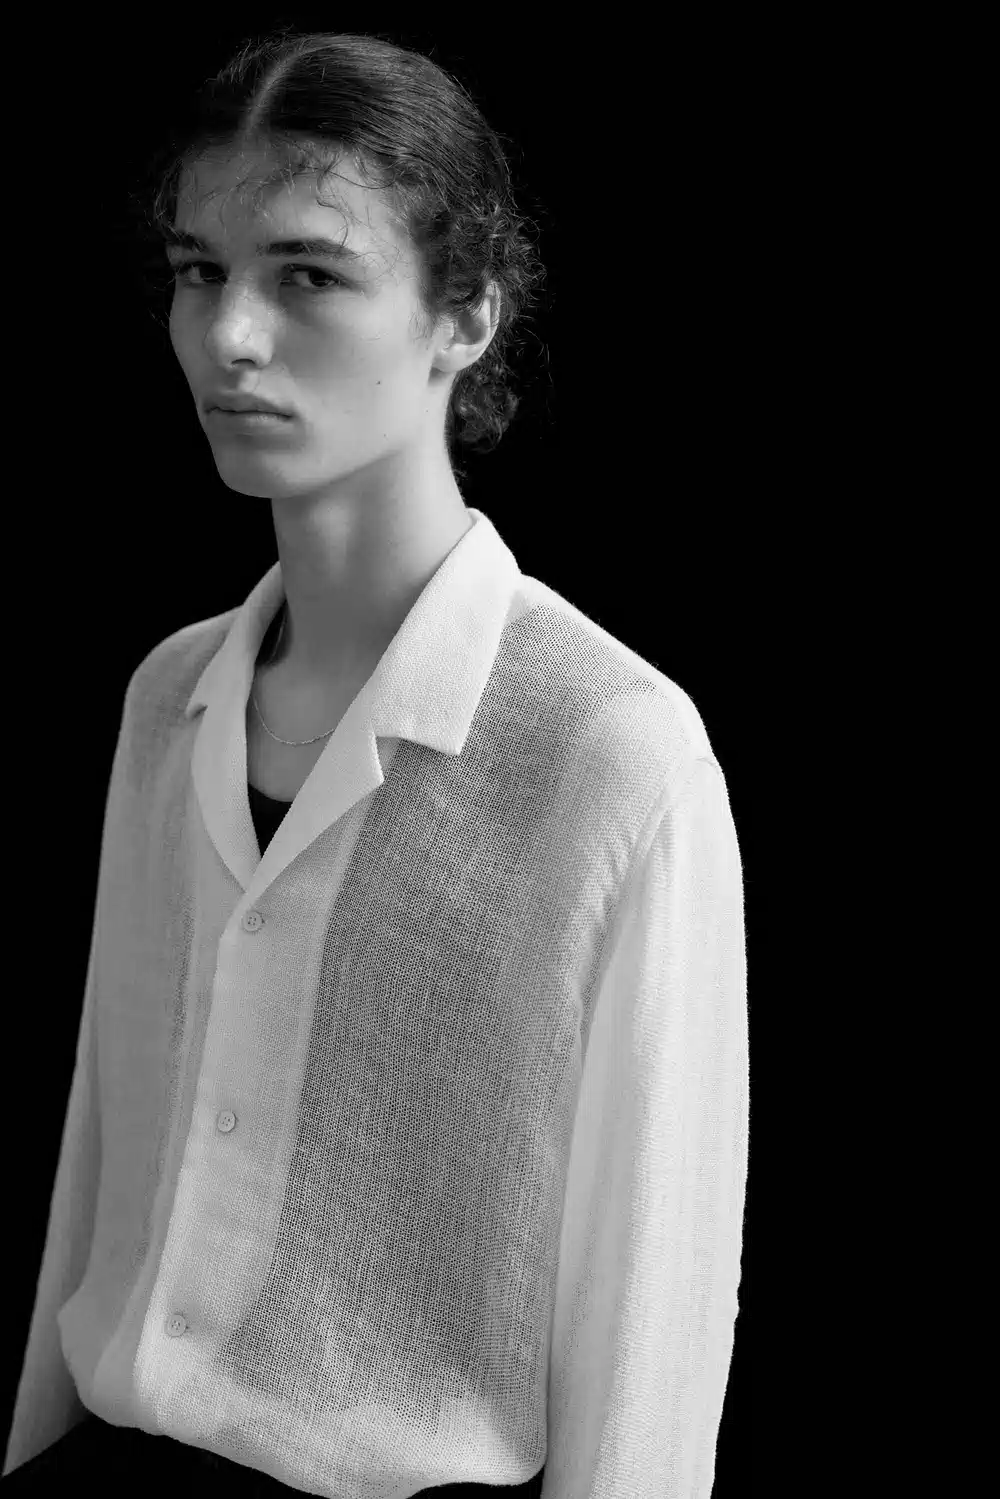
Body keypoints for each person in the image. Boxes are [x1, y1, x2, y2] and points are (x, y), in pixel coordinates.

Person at [4, 28, 747, 1499]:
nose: (228, 336)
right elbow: (101, 1169)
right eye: (200, 270)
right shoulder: (172, 697)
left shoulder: (603, 750)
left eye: (308, 274)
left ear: (463, 312)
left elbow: (650, 1310)